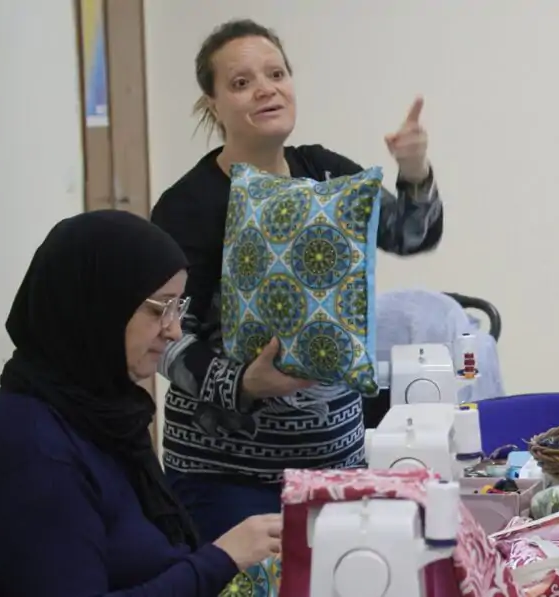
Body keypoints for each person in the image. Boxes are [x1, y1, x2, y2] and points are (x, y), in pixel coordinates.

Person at [150, 19, 446, 543]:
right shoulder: (187, 206)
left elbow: (409, 234)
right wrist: (243, 384)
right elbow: (165, 335)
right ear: (212, 104)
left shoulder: (325, 173)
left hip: (337, 465)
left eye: (276, 73)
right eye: (241, 82)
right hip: (226, 480)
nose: (266, 89)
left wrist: (414, 170)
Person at [0, 211, 282, 596]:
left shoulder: (102, 414)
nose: (174, 331)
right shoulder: (29, 447)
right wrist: (220, 560)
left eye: (178, 308)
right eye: (159, 309)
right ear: (96, 308)